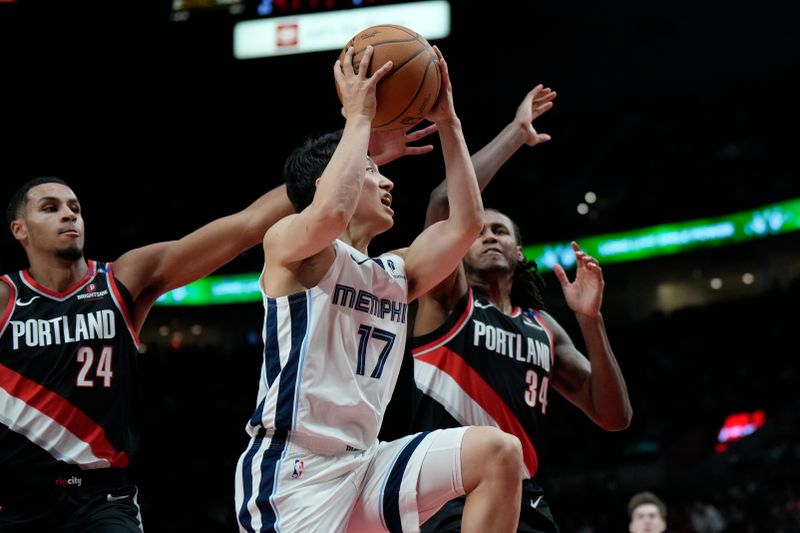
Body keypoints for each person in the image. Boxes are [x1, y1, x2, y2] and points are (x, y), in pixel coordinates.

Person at [234, 44, 526, 533]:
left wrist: (449, 120)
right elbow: (328, 213)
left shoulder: (395, 272)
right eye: (373, 171)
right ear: (332, 180)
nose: (387, 182)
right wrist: (359, 116)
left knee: (498, 452)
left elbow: (465, 225)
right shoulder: (290, 247)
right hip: (294, 471)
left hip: (366, 463)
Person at [410, 86, 633, 533]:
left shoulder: (544, 327)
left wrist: (591, 321)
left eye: (500, 231)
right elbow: (444, 202)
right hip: (447, 494)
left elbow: (614, 416)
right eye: (478, 231)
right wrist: (516, 133)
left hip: (525, 499)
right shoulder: (448, 297)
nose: (489, 235)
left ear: (518, 251)